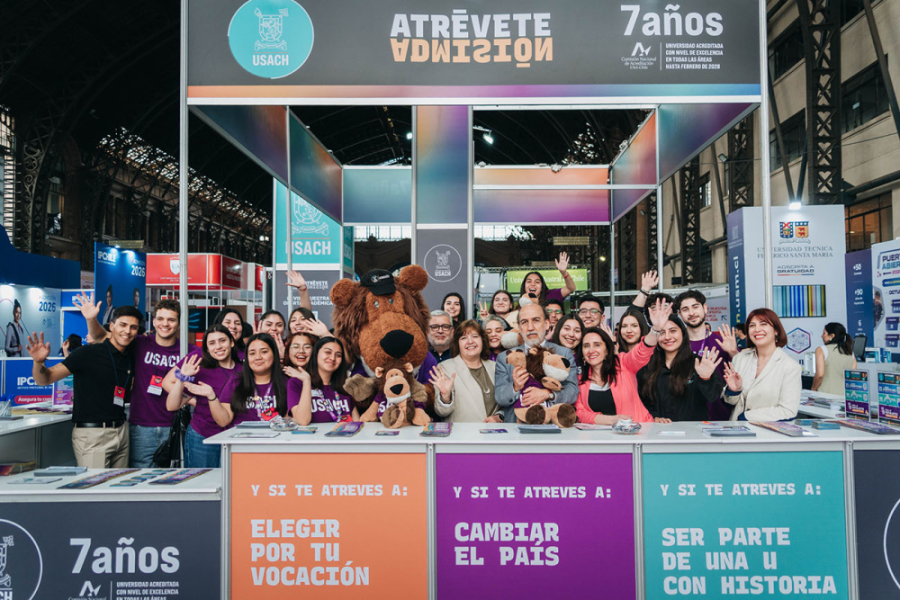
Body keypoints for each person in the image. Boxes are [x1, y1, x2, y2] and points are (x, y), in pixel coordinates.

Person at [79, 293, 200, 468]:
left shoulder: (190, 352)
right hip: (141, 428)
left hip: (175, 425)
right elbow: (101, 337)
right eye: (161, 319)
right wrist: (91, 319)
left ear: (179, 324)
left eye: (171, 320)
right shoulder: (139, 343)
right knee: (140, 481)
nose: (165, 324)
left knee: (175, 480)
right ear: (154, 322)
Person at [27, 306, 143, 468]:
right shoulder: (86, 354)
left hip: (122, 432)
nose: (127, 331)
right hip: (93, 435)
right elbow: (45, 378)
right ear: (112, 326)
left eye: (133, 327)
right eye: (123, 325)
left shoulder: (129, 356)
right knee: (95, 490)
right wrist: (38, 361)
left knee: (118, 490)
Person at [575, 299, 671, 425]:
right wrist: (611, 420)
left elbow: (642, 352)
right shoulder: (579, 379)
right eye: (586, 346)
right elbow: (580, 412)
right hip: (603, 439)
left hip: (639, 433)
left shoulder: (622, 362)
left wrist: (655, 330)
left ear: (607, 349)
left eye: (597, 345)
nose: (591, 350)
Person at [164, 325, 240, 468]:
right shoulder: (201, 369)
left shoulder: (243, 370)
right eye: (212, 343)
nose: (218, 346)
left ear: (232, 342)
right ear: (207, 348)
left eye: (222, 340)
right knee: (202, 483)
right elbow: (172, 405)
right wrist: (182, 378)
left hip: (234, 438)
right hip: (203, 436)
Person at [495, 303, 579, 424]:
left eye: (536, 320)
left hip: (553, 428)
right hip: (517, 429)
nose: (530, 327)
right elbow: (500, 397)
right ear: (519, 327)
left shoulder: (564, 353)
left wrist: (548, 394)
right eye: (524, 322)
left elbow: (572, 391)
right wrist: (514, 387)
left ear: (547, 324)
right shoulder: (506, 358)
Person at [637, 314, 726, 422]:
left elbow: (712, 397)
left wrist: (705, 379)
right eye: (661, 332)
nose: (667, 337)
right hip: (657, 432)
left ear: (683, 333)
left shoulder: (699, 363)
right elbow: (640, 400)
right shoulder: (648, 366)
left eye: (673, 331)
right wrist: (653, 417)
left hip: (693, 433)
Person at [722, 308, 801, 421]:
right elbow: (729, 402)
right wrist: (734, 391)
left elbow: (788, 410)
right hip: (736, 433)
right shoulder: (739, 359)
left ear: (776, 331)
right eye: (752, 325)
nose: (757, 329)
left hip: (767, 435)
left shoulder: (790, 366)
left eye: (763, 324)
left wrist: (747, 417)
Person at [200, 333, 288, 429]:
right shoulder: (236, 381)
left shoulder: (286, 382)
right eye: (252, 353)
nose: (258, 357)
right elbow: (223, 421)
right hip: (240, 441)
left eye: (264, 352)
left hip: (276, 440)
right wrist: (211, 396)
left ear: (274, 354)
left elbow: (291, 419)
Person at [674, 289, 737, 420]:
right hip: (685, 417)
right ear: (680, 314)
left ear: (705, 308)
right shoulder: (674, 344)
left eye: (695, 307)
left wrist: (733, 352)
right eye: (685, 309)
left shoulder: (722, 342)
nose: (691, 313)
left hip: (720, 415)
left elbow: (740, 376)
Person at [431, 320, 501, 423]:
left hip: (494, 435)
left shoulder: (496, 367)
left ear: (483, 340)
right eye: (464, 338)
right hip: (462, 436)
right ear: (457, 344)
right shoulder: (445, 368)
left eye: (475, 336)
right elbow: (441, 412)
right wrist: (445, 397)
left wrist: (499, 417)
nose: (470, 341)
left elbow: (506, 403)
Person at [288, 336, 358, 425]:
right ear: (316, 353)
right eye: (328, 352)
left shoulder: (345, 385)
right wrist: (306, 382)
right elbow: (303, 421)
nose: (333, 358)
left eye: (338, 355)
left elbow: (357, 423)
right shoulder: (296, 383)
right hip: (312, 438)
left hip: (345, 438)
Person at [812, 323, 857, 395]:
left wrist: (813, 389)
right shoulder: (850, 352)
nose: (822, 336)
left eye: (824, 333)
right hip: (845, 396)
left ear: (832, 336)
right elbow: (853, 376)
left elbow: (820, 374)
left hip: (825, 396)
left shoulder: (821, 350)